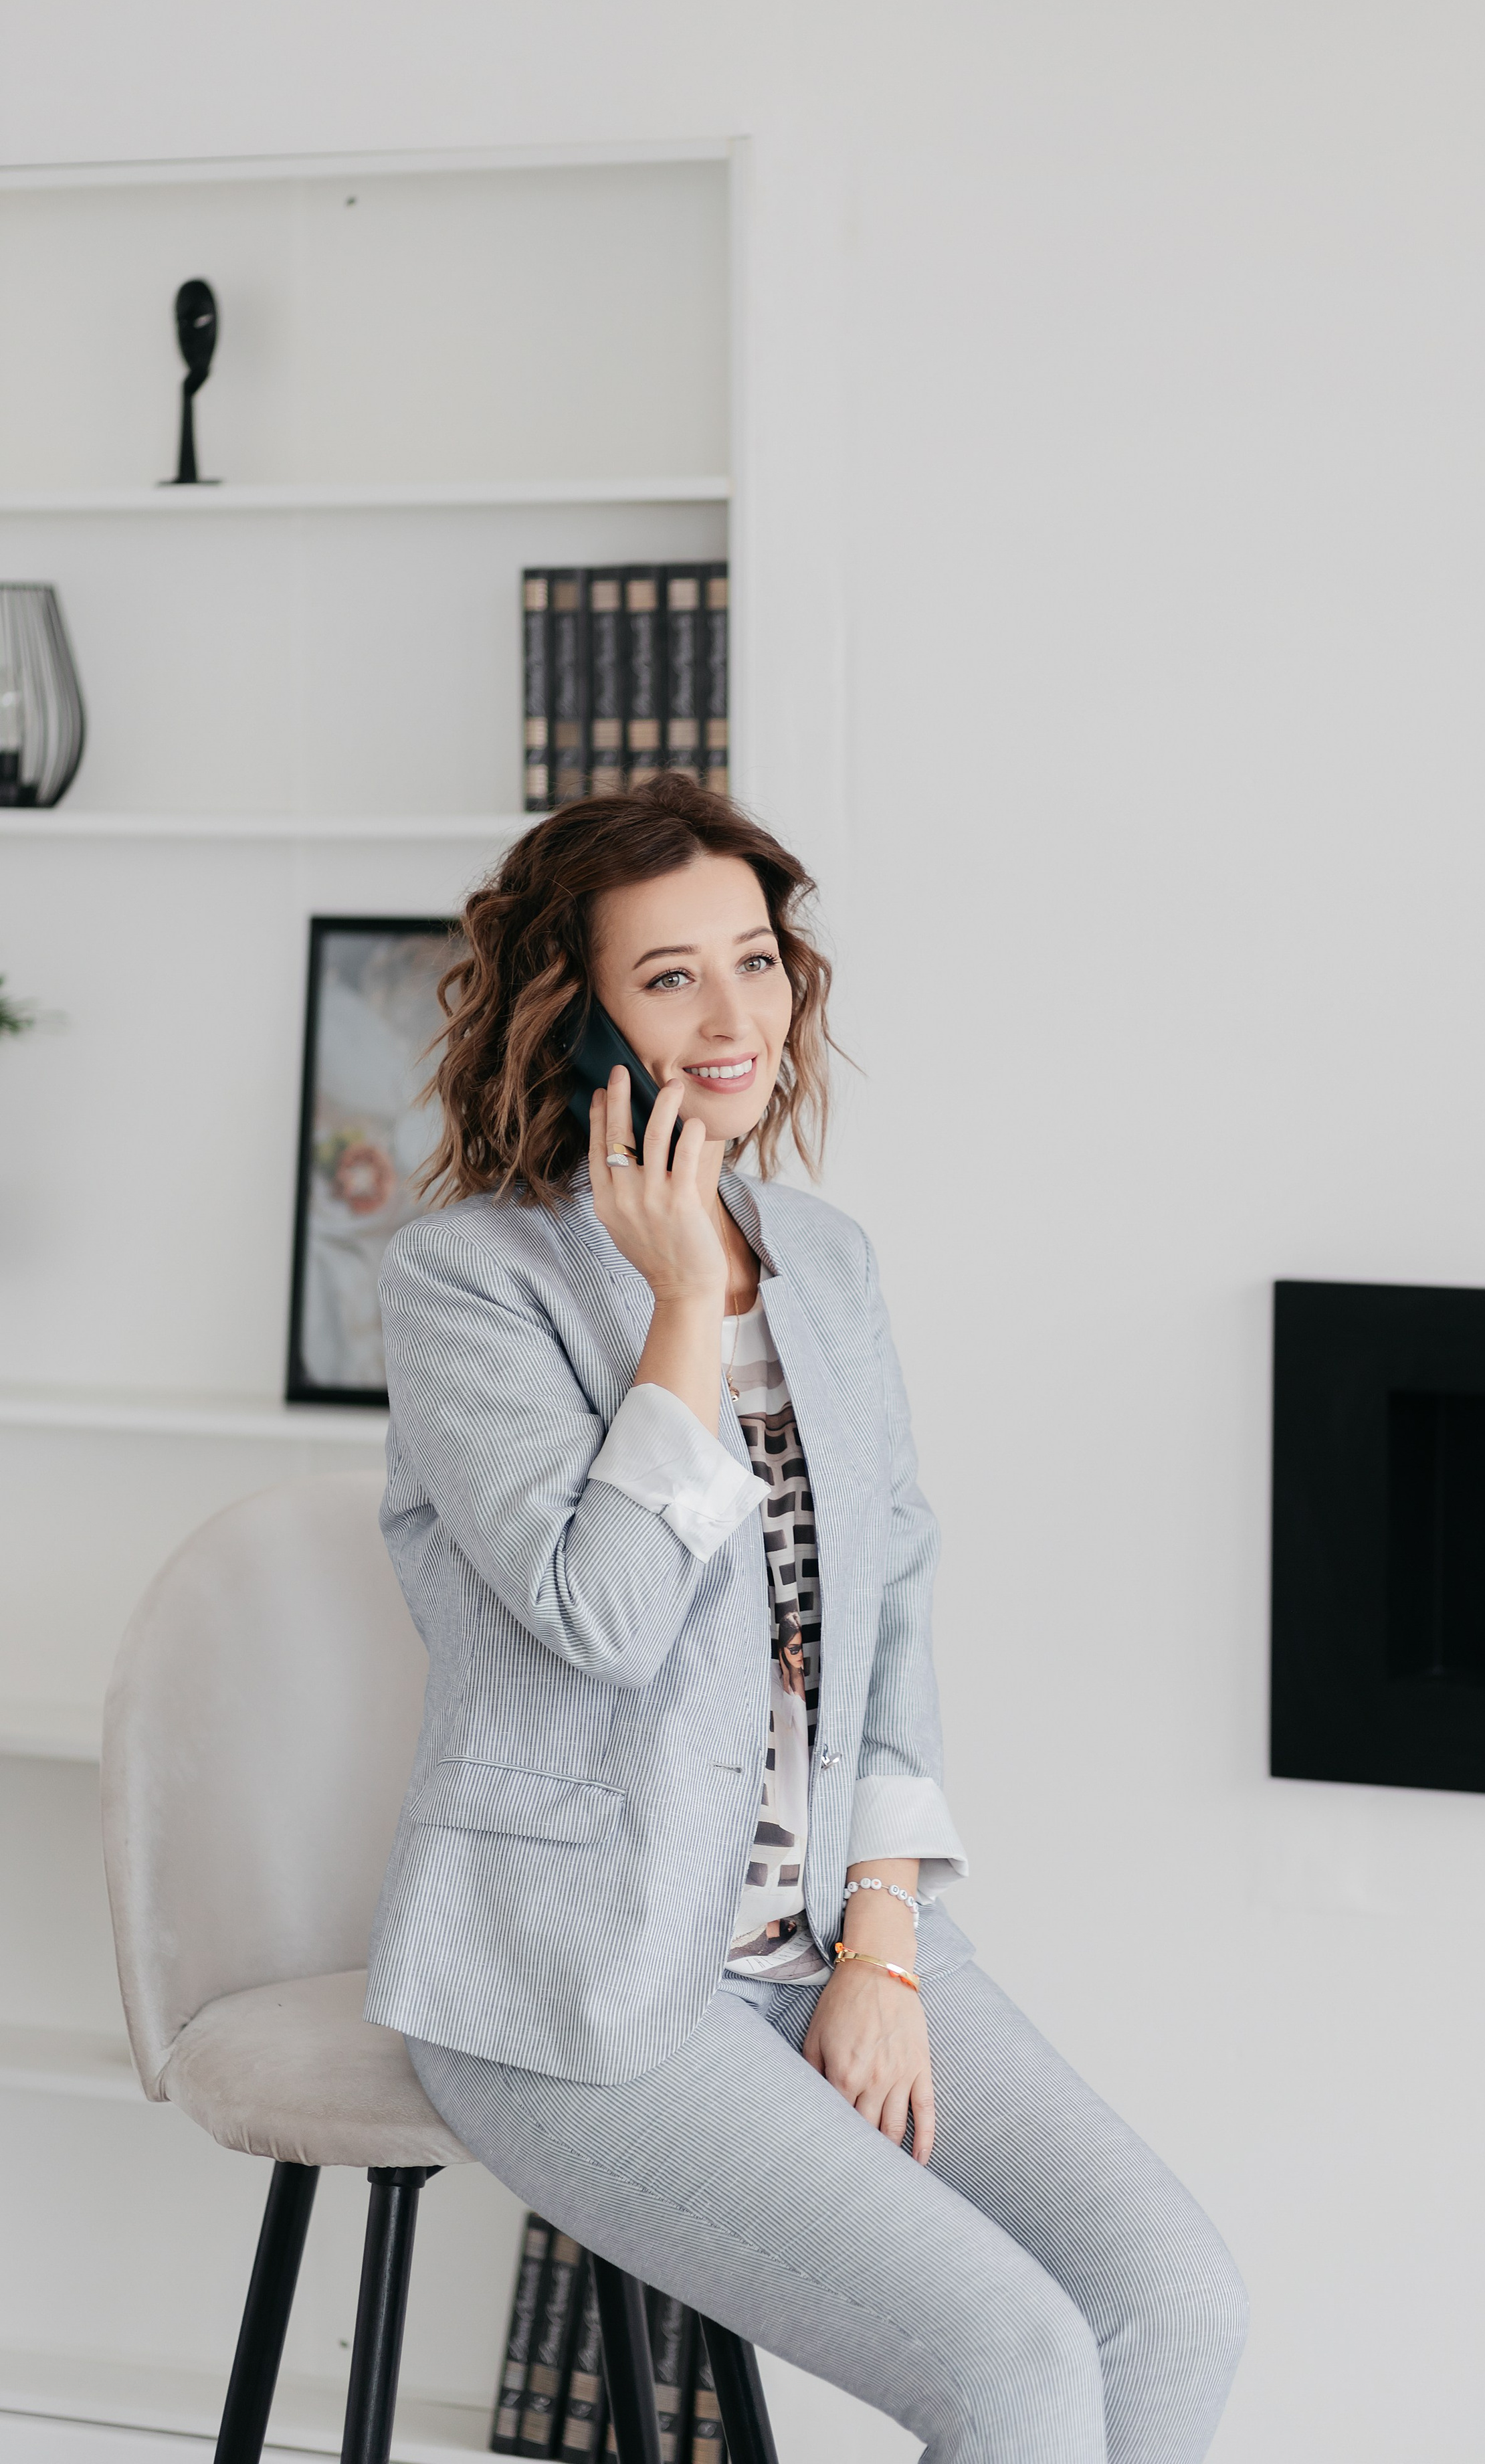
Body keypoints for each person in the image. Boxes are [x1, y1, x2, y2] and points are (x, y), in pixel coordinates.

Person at [366, 777, 1246, 2464]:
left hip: (820, 1939)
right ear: (579, 1015)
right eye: (669, 976)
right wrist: (684, 1299)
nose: (732, 1017)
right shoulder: (472, 1281)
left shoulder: (826, 1261)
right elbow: (601, 1619)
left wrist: (882, 1947)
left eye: (755, 962)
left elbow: (894, 1607)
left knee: (1171, 2301)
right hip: (583, 1985)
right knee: (1012, 2371)